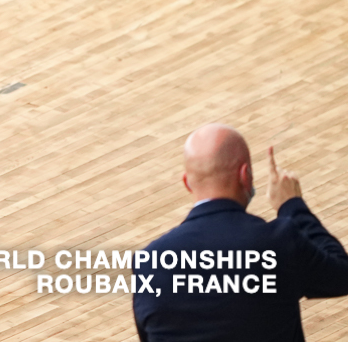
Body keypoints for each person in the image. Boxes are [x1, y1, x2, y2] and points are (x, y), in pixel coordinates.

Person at [133, 125, 348, 340]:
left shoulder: (148, 262)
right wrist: (292, 206)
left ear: (187, 182)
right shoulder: (278, 242)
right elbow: (341, 274)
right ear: (245, 176)